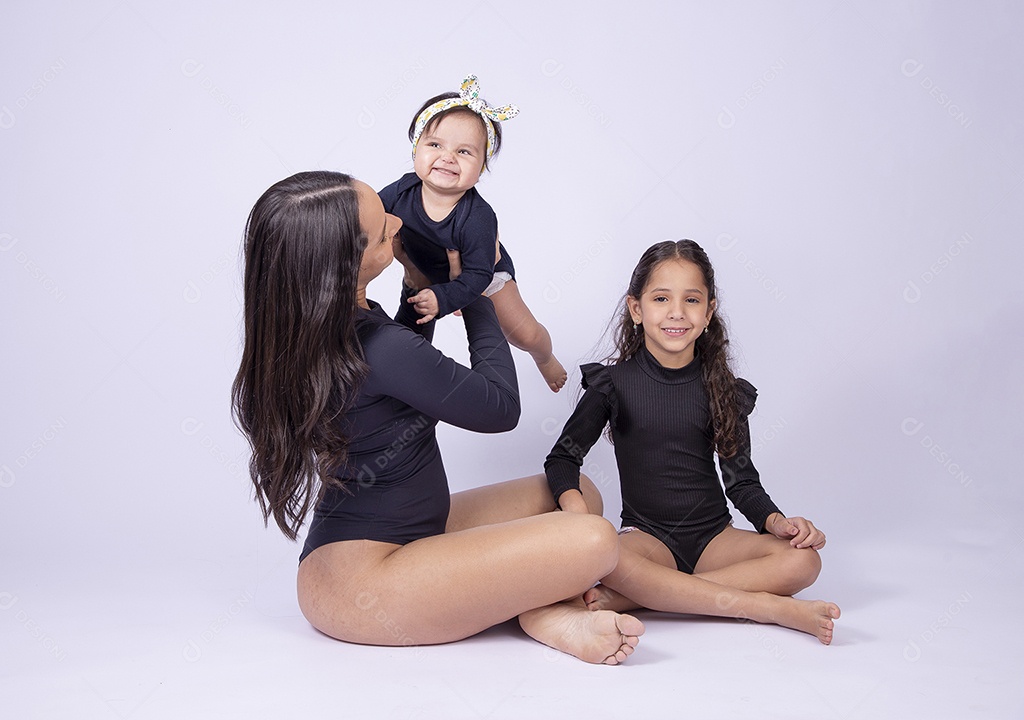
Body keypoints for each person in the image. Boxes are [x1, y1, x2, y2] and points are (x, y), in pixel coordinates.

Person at [231, 170, 643, 663]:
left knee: (578, 494)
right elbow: (499, 407)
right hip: (364, 582)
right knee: (594, 539)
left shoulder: (321, 326)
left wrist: (422, 290)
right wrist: (479, 289)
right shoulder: (376, 347)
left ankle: (530, 606)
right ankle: (544, 613)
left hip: (408, 534)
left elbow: (403, 375)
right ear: (348, 265)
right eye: (383, 228)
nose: (398, 218)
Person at [545, 240, 841, 644]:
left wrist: (778, 523)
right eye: (661, 298)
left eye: (692, 300)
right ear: (636, 309)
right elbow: (562, 459)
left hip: (714, 539)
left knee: (804, 561)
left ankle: (647, 595)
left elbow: (742, 483)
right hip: (647, 540)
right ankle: (767, 607)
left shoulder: (724, 389)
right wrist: (579, 516)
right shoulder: (612, 384)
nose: (676, 313)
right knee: (608, 558)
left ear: (709, 313)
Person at [379, 74, 567, 392]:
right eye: (435, 144)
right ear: (416, 152)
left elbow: (478, 275)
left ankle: (544, 355)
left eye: (464, 152)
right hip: (427, 269)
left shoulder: (478, 217)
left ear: (481, 168)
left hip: (483, 274)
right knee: (409, 326)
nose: (448, 157)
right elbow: (371, 215)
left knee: (523, 333)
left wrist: (446, 296)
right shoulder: (403, 189)